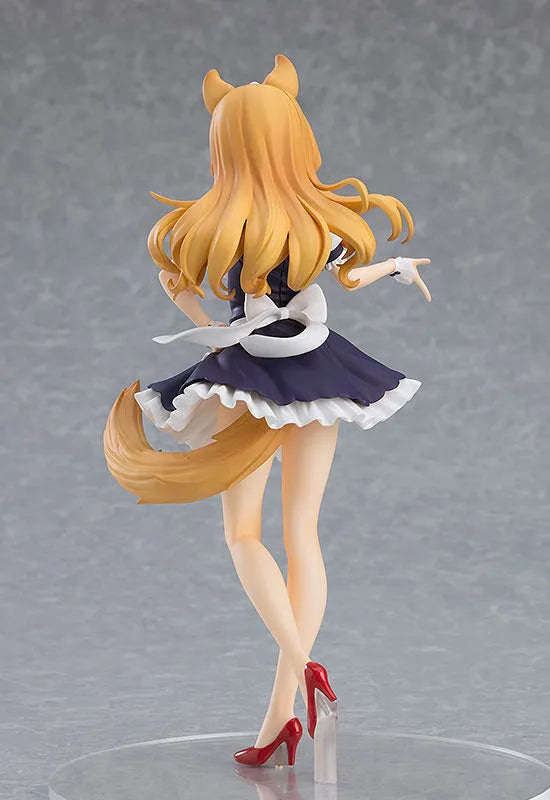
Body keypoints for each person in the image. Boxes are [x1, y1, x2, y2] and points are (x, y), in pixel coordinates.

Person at [104, 54, 432, 773]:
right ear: (296, 139)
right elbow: (349, 275)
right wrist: (396, 268)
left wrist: (187, 307)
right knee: (302, 534)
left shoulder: (216, 225)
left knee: (244, 535)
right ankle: (286, 706)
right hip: (316, 371)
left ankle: (298, 679)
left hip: (245, 376)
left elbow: (213, 313)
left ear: (223, 145)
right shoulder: (317, 218)